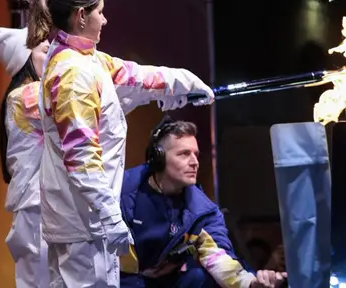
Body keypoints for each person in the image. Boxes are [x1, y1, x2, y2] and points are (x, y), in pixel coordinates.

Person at [24, 0, 215, 288]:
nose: (105, 19)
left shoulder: (82, 59)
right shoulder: (73, 73)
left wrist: (181, 83)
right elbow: (81, 158)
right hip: (84, 221)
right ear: (82, 15)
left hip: (83, 219)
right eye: (100, 11)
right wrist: (110, 217)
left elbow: (132, 76)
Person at [119, 118, 287, 287]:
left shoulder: (202, 212)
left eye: (196, 154)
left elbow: (219, 258)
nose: (195, 162)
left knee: (203, 278)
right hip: (118, 280)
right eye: (184, 154)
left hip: (165, 282)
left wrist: (251, 284)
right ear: (158, 158)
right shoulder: (119, 194)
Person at [0, 27, 50, 287]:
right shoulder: (26, 96)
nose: (56, 57)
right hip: (38, 211)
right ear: (25, 60)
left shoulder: (27, 96)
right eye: (46, 51)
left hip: (40, 209)